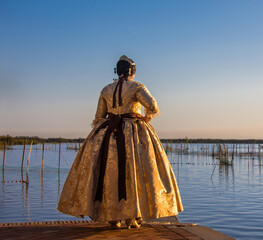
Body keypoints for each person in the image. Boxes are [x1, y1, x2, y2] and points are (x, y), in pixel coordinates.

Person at [57, 55, 183, 229]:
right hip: (134, 132)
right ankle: (133, 216)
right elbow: (153, 106)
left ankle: (112, 216)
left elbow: (99, 116)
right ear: (132, 71)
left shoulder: (106, 89)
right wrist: (144, 119)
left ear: (117, 71)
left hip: (107, 133)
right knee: (135, 172)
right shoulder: (137, 87)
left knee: (108, 172)